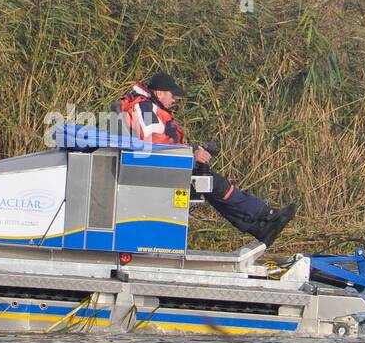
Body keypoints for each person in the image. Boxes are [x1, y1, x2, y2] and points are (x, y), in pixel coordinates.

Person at [116, 72, 297, 247]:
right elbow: (153, 142)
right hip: (153, 172)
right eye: (173, 95)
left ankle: (260, 224)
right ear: (159, 92)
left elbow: (160, 143)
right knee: (212, 183)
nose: (175, 100)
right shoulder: (144, 108)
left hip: (158, 167)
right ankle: (264, 216)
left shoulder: (149, 107)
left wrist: (191, 153)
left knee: (210, 182)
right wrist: (191, 153)